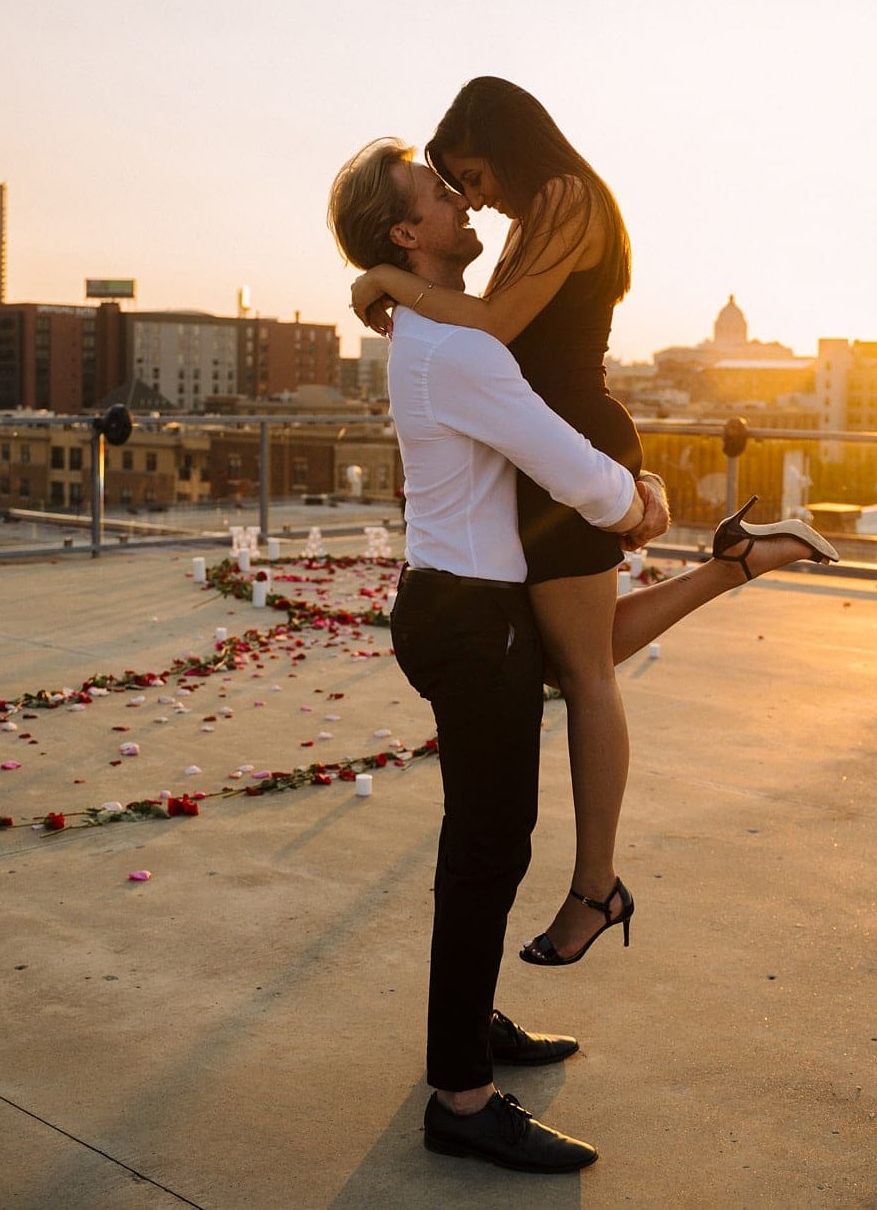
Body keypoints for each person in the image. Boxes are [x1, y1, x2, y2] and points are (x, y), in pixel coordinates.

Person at [329, 136, 832, 1173]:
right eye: (437, 192)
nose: (464, 202)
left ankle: (468, 1033)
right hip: (471, 617)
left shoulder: (427, 331)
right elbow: (572, 471)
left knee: (478, 847)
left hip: (455, 602)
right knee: (487, 849)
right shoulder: (452, 347)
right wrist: (641, 502)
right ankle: (460, 1099)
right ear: (404, 233)